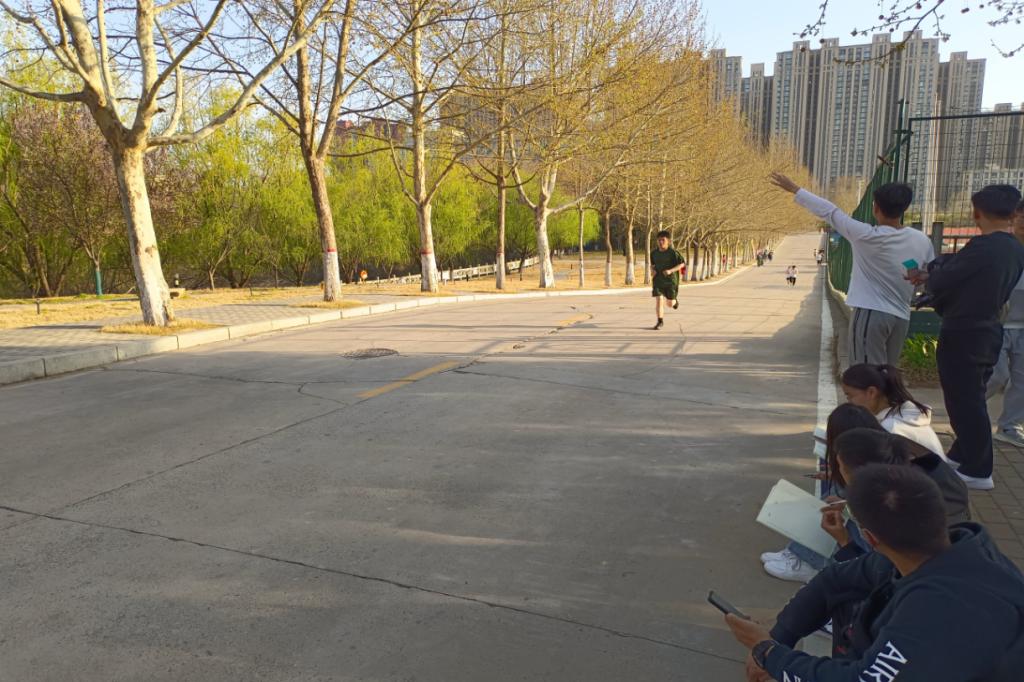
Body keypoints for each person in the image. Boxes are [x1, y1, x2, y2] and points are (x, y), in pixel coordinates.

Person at [726, 465, 1024, 682]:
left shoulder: (938, 608)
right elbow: (832, 581)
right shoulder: (954, 548)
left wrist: (768, 653)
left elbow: (863, 679)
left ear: (869, 538)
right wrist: (779, 637)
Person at [909, 185, 1024, 490]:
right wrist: (936, 274)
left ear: (977, 213)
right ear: (1014, 213)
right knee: (970, 398)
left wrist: (932, 276)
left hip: (966, 331)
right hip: (987, 329)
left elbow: (944, 280)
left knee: (965, 402)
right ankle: (962, 456)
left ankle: (978, 470)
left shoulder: (984, 246)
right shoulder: (1014, 249)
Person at [770, 172, 934, 366]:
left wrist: (795, 189)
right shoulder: (921, 240)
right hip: (901, 317)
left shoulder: (865, 235)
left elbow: (830, 212)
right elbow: (928, 273)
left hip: (870, 314)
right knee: (888, 373)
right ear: (904, 208)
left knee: (865, 374)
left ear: (876, 208)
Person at [761, 404, 886, 583]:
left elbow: (872, 562)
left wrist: (844, 536)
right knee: (836, 496)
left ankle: (813, 564)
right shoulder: (881, 458)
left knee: (836, 501)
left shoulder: (874, 490)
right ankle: (801, 553)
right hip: (877, 554)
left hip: (873, 568)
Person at [822, 429, 970, 564]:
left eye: (840, 467)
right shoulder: (922, 480)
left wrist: (844, 541)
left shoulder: (896, 518)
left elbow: (881, 573)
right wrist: (849, 506)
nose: (838, 470)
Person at [840, 364, 945, 458]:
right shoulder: (903, 412)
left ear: (871, 392)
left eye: (850, 396)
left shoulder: (890, 429)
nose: (848, 401)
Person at [987, 199, 1024, 447]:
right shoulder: (1004, 248)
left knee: (1022, 381)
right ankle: (967, 413)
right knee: (996, 375)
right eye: (1021, 217)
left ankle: (1010, 426)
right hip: (998, 324)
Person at [649, 230, 685, 331]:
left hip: (670, 281)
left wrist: (670, 271)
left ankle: (674, 302)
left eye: (663, 240)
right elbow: (652, 265)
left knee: (670, 304)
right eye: (659, 240)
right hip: (658, 280)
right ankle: (660, 321)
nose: (661, 242)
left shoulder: (673, 253)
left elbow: (682, 264)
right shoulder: (654, 253)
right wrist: (652, 270)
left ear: (668, 241)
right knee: (659, 300)